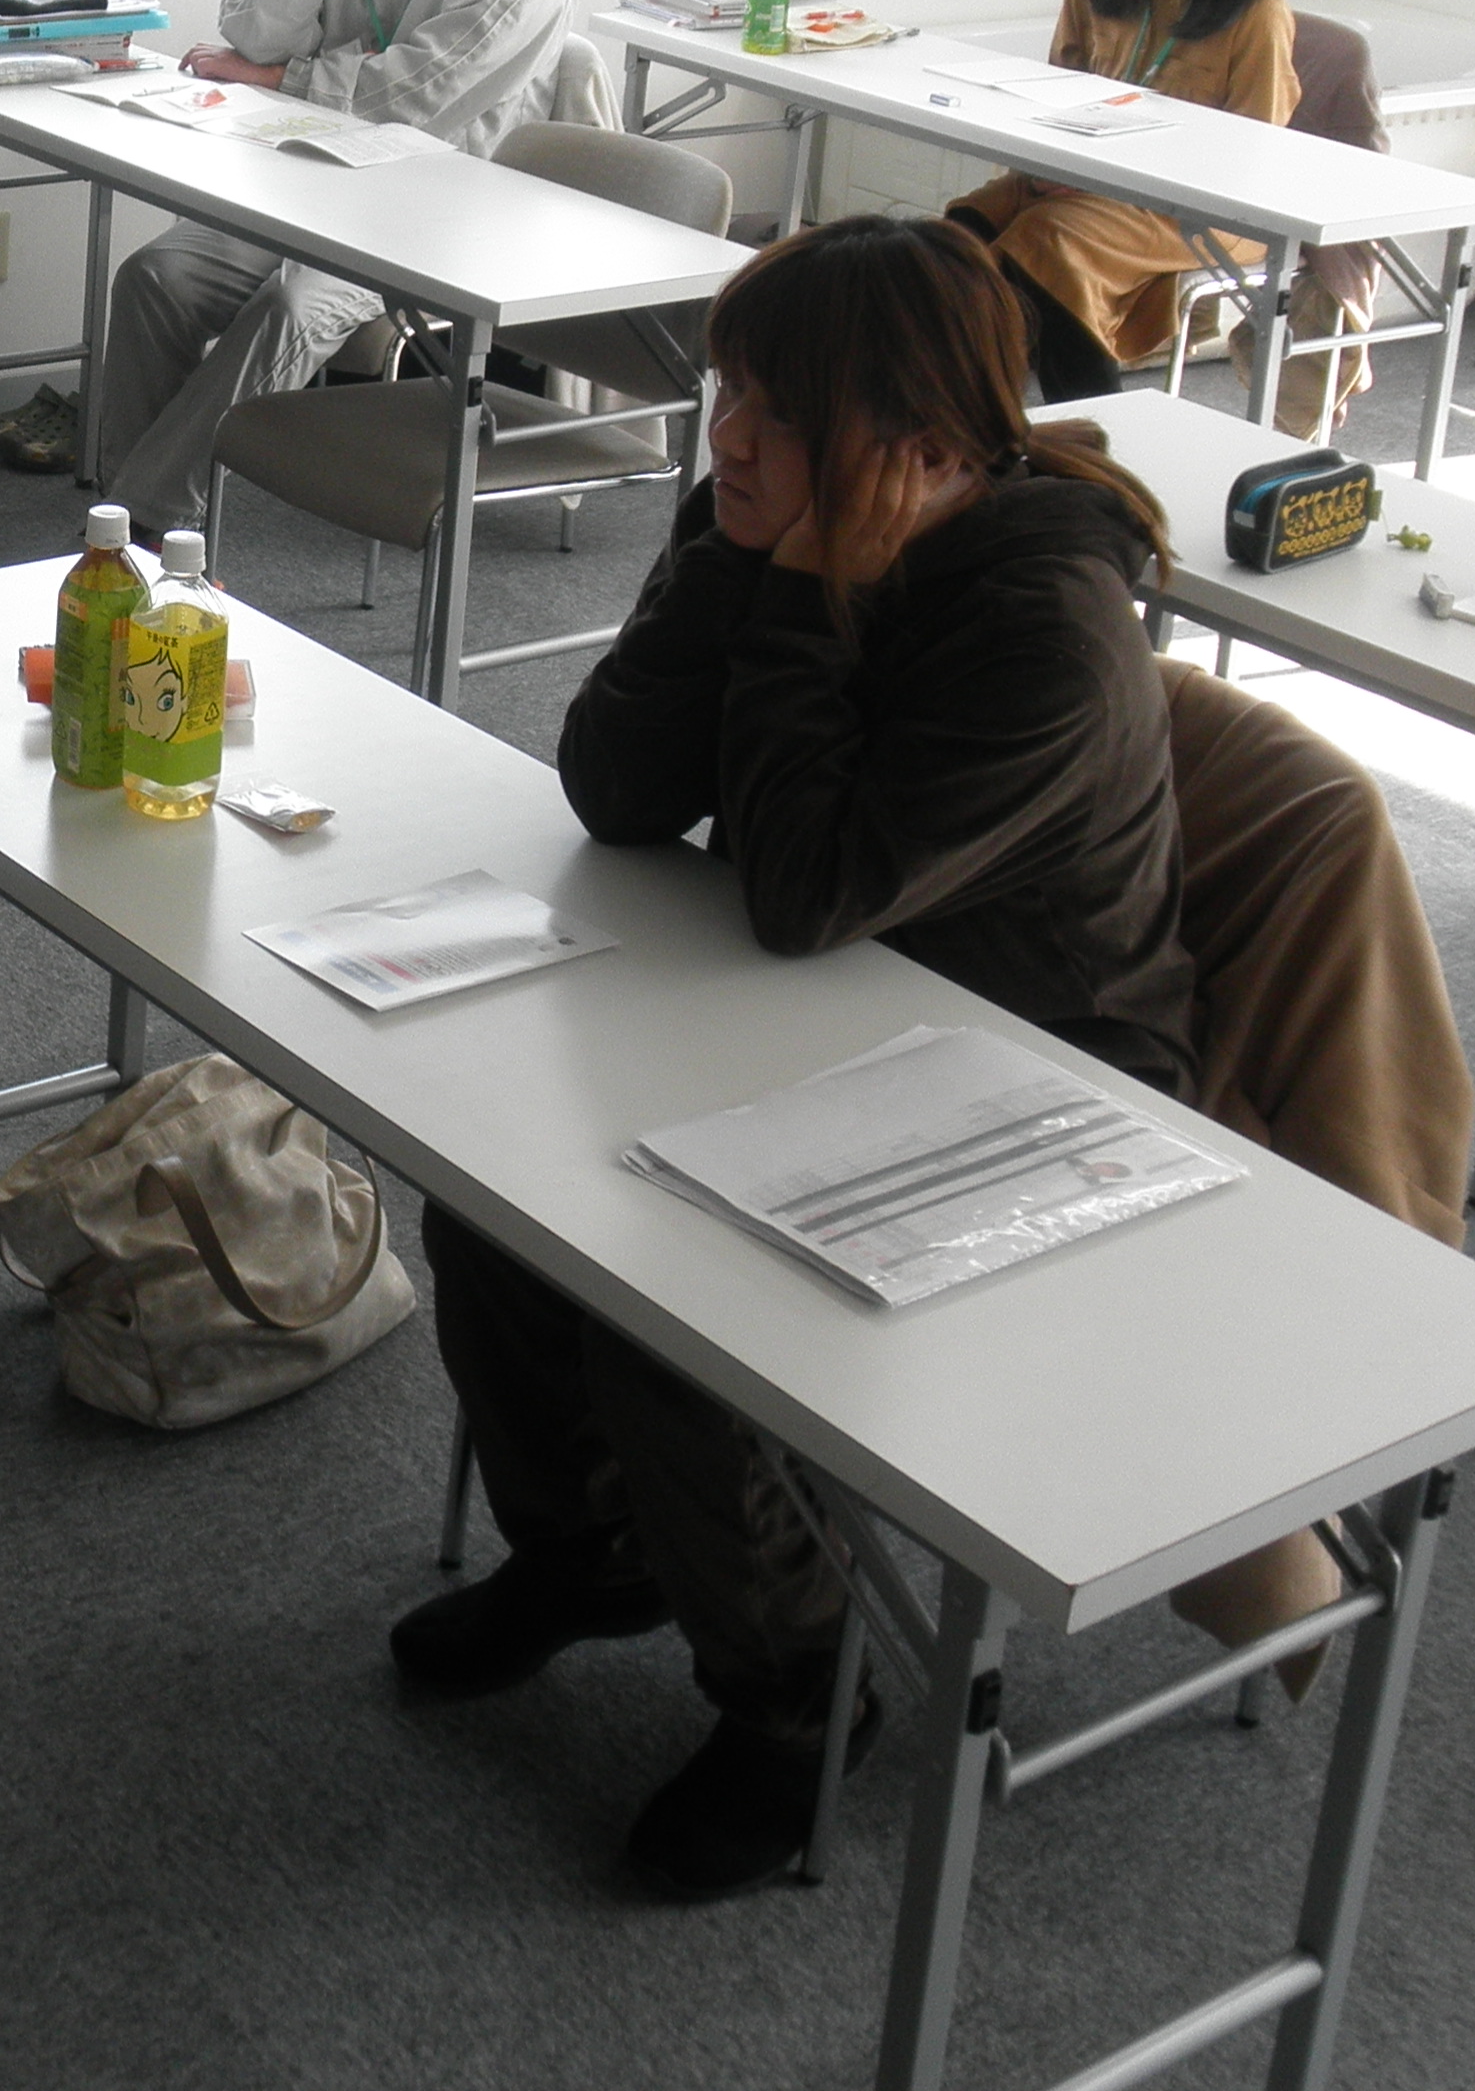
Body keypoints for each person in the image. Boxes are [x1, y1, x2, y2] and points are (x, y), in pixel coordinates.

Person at [395, 215, 1195, 1901]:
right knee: (496, 1191)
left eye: (777, 409)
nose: (729, 436)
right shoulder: (758, 514)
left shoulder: (1045, 624)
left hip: (1042, 1080)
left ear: (921, 439)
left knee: (683, 1318)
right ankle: (593, 1555)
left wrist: (795, 600)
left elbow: (801, 890)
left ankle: (796, 1702)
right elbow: (616, 786)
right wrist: (738, 563)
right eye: (729, 391)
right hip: (834, 1016)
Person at [62, 0, 568, 529]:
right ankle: (138, 517)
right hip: (308, 181)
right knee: (154, 279)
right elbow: (249, 30)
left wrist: (277, 77)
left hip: (433, 212)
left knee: (291, 309)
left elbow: (416, 93)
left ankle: (137, 528)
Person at [944, 0, 1296, 405]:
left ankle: (1092, 427)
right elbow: (1056, 90)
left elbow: (1251, 162)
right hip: (1081, 179)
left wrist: (1112, 177)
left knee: (1047, 244)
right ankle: (962, 417)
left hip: (1200, 206)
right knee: (953, 238)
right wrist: (1051, 161)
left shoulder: (1254, 11)